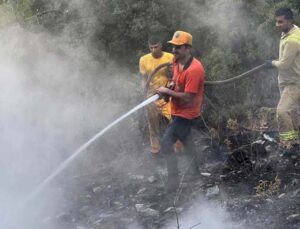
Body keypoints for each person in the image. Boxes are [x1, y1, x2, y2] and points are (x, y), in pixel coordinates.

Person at [157, 31, 205, 191]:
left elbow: (188, 98)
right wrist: (169, 87)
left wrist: (168, 92)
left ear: (187, 48)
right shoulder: (175, 61)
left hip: (187, 113)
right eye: (173, 47)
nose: (174, 50)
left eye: (178, 47)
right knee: (187, 141)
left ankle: (173, 179)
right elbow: (175, 80)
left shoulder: (195, 69)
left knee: (165, 143)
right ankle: (196, 175)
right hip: (177, 110)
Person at [265, 8, 300, 151]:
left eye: (280, 21)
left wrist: (272, 63)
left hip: (294, 82)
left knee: (282, 110)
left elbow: (285, 64)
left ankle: (288, 143)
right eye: (276, 21)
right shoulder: (289, 31)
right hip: (286, 81)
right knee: (292, 111)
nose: (277, 25)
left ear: (289, 21)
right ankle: (295, 142)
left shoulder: (292, 40)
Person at [139, 36, 174, 154]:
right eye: (151, 48)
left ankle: (177, 147)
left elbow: (175, 77)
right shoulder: (143, 60)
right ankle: (155, 149)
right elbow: (144, 79)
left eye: (156, 47)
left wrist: (169, 87)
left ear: (161, 45)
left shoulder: (170, 57)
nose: (154, 50)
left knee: (174, 120)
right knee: (152, 124)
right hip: (151, 96)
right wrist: (144, 97)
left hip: (167, 95)